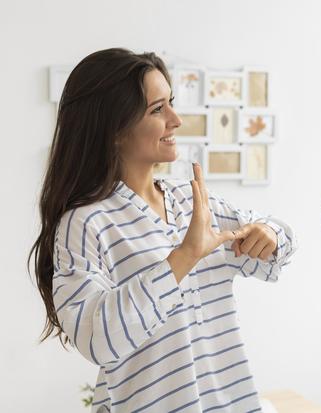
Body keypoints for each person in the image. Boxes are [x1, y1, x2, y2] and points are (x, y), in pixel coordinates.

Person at [29, 48, 296, 412]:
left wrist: (269, 235)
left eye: (171, 103)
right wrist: (184, 257)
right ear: (114, 130)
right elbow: (96, 339)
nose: (176, 120)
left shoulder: (192, 200)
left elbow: (280, 243)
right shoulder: (87, 223)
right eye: (157, 109)